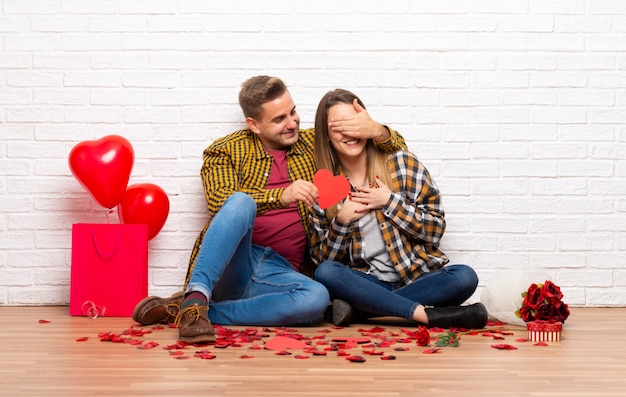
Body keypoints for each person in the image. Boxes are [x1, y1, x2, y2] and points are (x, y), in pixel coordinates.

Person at [132, 76, 408, 343]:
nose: (292, 123)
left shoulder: (314, 144)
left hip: (282, 274)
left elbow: (397, 154)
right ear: (254, 124)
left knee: (317, 298)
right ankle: (196, 298)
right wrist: (281, 196)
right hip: (237, 262)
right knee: (241, 201)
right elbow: (219, 201)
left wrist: (377, 131)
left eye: (293, 112)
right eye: (279, 119)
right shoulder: (224, 151)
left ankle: (194, 311)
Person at [309, 88, 488, 329]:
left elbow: (435, 229)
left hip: (419, 279)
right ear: (326, 136)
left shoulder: (402, 163)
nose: (349, 133)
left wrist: (390, 202)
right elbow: (323, 261)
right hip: (368, 283)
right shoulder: (324, 189)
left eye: (353, 123)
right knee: (326, 273)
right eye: (338, 127)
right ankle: (423, 315)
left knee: (465, 276)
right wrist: (340, 222)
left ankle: (366, 312)